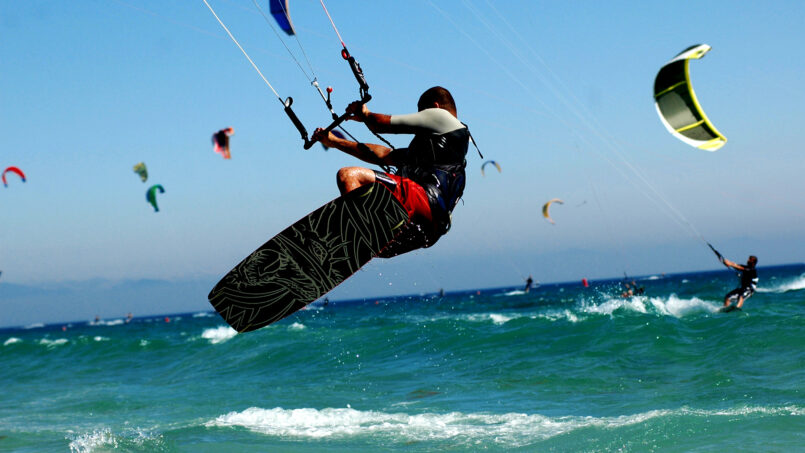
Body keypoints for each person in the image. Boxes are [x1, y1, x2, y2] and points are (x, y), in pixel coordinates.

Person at [313, 86, 473, 257]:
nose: (422, 120)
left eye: (421, 113)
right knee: (381, 250)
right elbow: (383, 154)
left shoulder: (442, 116)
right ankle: (368, 242)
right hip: (431, 230)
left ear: (435, 106)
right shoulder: (437, 151)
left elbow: (379, 124)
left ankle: (356, 238)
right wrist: (334, 141)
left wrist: (365, 114)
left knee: (349, 176)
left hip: (424, 199)